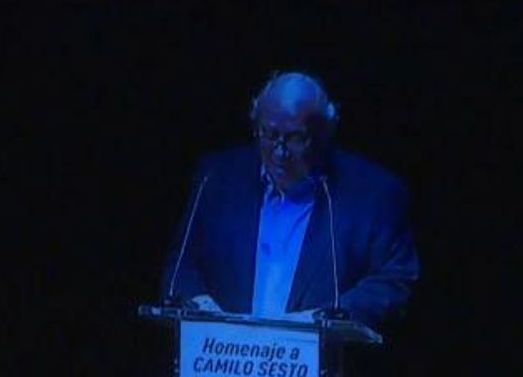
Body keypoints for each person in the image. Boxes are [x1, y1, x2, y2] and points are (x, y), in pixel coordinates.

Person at [162, 71, 419, 328]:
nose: (280, 152)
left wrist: (322, 321)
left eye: (296, 138)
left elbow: (395, 279)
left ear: (324, 133)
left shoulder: (374, 193)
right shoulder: (217, 178)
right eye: (269, 134)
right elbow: (183, 261)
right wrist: (199, 305)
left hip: (323, 360)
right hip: (227, 357)